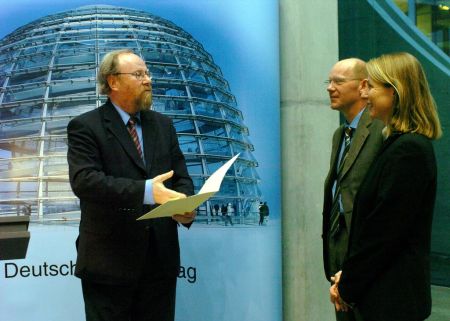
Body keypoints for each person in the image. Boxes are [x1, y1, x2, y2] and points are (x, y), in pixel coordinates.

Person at [67, 49, 195, 321]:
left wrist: (185, 205)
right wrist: (148, 192)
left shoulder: (163, 125)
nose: (148, 80)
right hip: (110, 265)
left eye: (147, 73)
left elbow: (180, 176)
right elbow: (86, 181)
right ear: (113, 82)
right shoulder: (85, 126)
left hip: (159, 264)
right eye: (138, 74)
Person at [330, 52, 442, 321]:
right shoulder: (398, 145)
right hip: (380, 295)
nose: (364, 94)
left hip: (392, 300)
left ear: (394, 93)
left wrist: (348, 285)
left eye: (371, 87)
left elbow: (384, 233)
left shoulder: (408, 151)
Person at [322, 58, 384, 321]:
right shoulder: (340, 135)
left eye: (338, 81)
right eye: (329, 81)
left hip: (366, 258)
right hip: (337, 253)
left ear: (362, 87)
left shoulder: (382, 130)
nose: (329, 88)